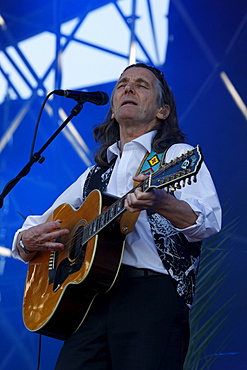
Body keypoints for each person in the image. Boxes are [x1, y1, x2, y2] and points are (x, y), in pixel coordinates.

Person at [12, 63, 221, 370]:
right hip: (90, 302)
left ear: (162, 111)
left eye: (141, 85)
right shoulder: (94, 175)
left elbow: (209, 221)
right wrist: (25, 240)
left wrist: (161, 201)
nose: (128, 88)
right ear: (112, 111)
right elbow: (43, 223)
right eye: (122, 84)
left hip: (151, 298)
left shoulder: (176, 157)